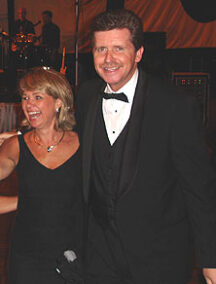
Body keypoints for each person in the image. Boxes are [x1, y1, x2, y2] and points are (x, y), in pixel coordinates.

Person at [75, 9, 216, 283]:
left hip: (159, 258)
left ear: (138, 53)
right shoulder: (86, 97)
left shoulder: (175, 106)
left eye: (118, 48)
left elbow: (199, 190)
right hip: (99, 255)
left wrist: (211, 258)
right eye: (100, 49)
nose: (108, 59)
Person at [0, 67, 84, 283]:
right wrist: (20, 202)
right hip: (27, 257)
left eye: (37, 97)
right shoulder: (16, 146)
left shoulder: (82, 142)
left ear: (59, 102)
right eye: (25, 98)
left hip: (74, 253)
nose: (28, 105)